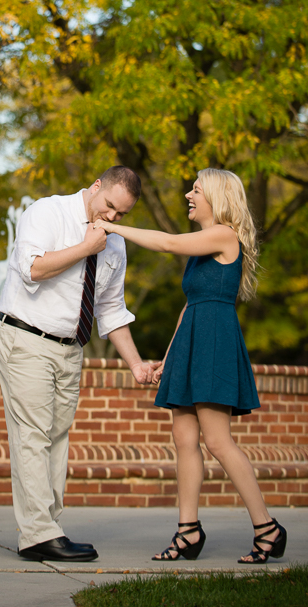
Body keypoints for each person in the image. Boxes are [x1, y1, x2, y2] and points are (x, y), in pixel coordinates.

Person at [95, 167, 287, 565]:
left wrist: (112, 228)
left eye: (196, 189)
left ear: (216, 197)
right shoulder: (203, 249)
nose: (188, 194)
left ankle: (267, 528)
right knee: (183, 440)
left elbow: (166, 243)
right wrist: (170, 357)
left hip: (215, 343)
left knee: (217, 441)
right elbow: (188, 307)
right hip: (192, 343)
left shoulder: (224, 235)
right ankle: (188, 531)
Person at [0, 166, 156, 563]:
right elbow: (32, 268)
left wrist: (135, 365)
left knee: (57, 437)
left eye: (122, 215)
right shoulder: (48, 213)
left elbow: (111, 310)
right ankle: (39, 534)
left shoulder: (114, 244)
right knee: (33, 434)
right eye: (110, 207)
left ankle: (48, 528)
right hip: (26, 337)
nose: (113, 218)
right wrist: (86, 247)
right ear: (96, 186)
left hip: (70, 348)